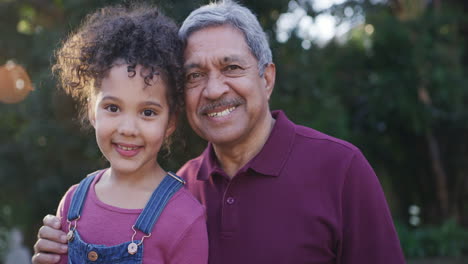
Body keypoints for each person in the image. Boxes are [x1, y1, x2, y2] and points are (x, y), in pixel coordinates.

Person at [33, 1, 405, 263]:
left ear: (267, 78)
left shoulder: (340, 169)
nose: (213, 90)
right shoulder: (178, 189)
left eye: (231, 67)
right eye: (195, 75)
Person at [33, 4, 208, 264]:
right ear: (92, 111)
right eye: (113, 108)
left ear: (170, 122)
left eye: (148, 112)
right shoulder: (72, 203)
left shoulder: (185, 218)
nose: (128, 128)